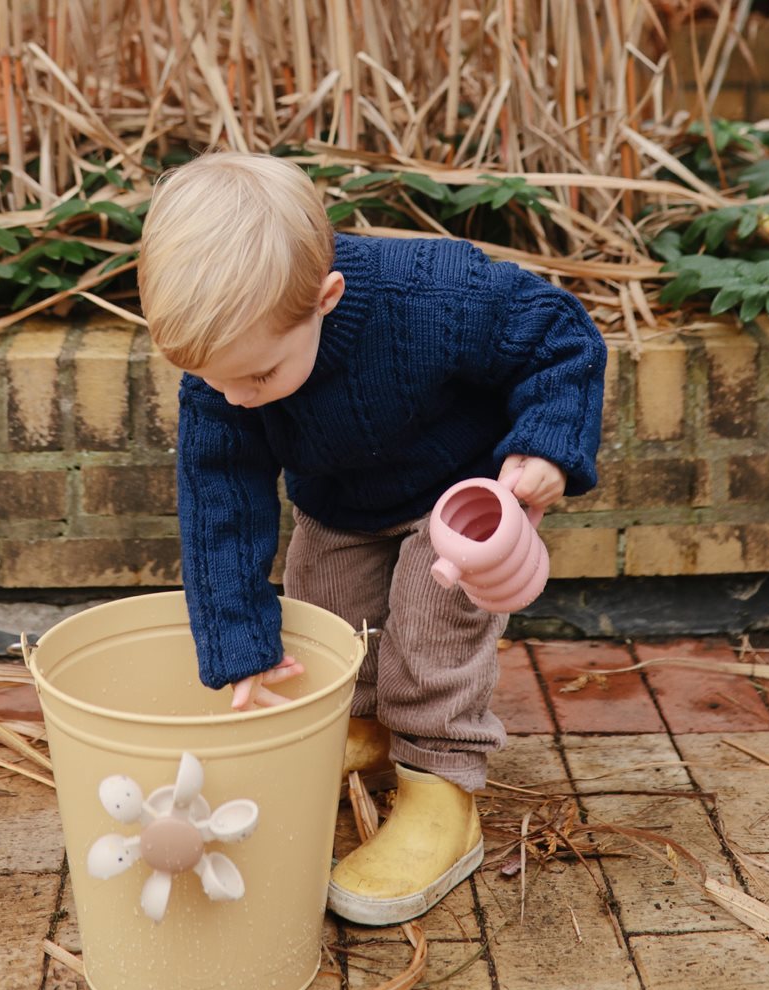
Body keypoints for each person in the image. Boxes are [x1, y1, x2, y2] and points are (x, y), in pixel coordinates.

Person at [137, 150, 606, 927]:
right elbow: (219, 501)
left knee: (428, 628)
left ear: (326, 299)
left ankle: (439, 788)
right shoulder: (226, 375)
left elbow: (558, 336)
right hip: (340, 502)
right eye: (214, 380)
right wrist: (240, 645)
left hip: (461, 499)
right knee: (324, 611)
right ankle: (359, 725)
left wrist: (548, 445)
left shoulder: (437, 295)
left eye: (256, 378)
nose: (234, 397)